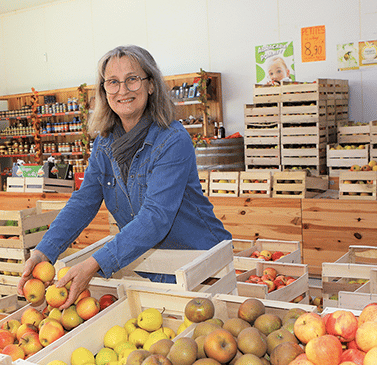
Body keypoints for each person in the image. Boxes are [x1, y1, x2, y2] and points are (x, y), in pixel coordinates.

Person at [17, 45, 231, 309]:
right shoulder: (103, 144)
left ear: (150, 85)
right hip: (152, 267)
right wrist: (44, 251)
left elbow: (156, 217)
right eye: (113, 82)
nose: (123, 90)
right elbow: (84, 201)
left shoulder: (173, 141)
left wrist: (95, 263)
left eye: (132, 79)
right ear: (104, 91)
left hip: (202, 267)